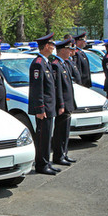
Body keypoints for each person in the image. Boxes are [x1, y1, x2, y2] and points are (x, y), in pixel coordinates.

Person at [28, 33, 59, 176]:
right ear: (46, 46)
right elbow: (37, 88)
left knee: (47, 137)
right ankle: (41, 164)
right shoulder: (38, 63)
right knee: (42, 137)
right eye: (52, 45)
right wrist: (40, 108)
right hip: (44, 108)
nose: (53, 48)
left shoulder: (45, 62)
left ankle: (46, 162)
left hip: (49, 107)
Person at [51, 38, 77, 166]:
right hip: (63, 104)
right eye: (68, 49)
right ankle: (58, 156)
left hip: (68, 103)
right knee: (60, 132)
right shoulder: (56, 64)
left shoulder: (64, 64)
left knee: (66, 132)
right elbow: (58, 87)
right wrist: (61, 104)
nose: (70, 51)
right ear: (61, 51)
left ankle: (64, 154)